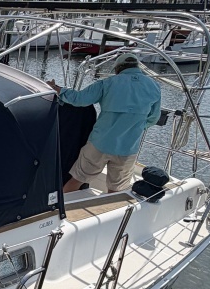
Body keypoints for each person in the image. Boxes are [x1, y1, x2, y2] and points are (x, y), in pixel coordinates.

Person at [48, 52, 161, 194]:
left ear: (118, 68)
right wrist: (135, 127)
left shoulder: (107, 83)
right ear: (137, 67)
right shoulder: (154, 86)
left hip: (100, 143)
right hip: (128, 148)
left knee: (77, 180)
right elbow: (153, 118)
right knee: (115, 190)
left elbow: (79, 99)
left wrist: (58, 89)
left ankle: (62, 206)